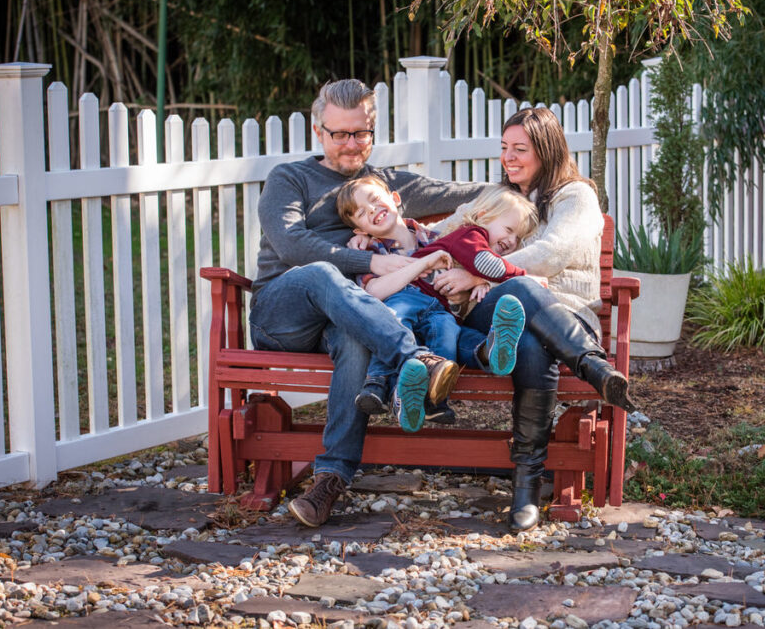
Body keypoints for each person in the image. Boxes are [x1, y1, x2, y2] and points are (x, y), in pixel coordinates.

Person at [248, 78, 485, 527]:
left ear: (372, 133)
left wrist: (529, 184)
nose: (351, 145)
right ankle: (417, 359)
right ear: (319, 132)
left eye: (360, 133)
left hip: (350, 313)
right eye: (339, 134)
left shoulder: (382, 185)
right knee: (320, 274)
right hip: (284, 313)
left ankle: (330, 480)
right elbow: (292, 246)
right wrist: (370, 263)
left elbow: (458, 194)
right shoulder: (289, 179)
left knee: (357, 338)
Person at [433, 106, 634, 532]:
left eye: (520, 149)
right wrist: (389, 236)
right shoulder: (497, 197)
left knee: (526, 337)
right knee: (523, 290)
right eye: (505, 148)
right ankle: (594, 366)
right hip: (496, 309)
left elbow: (552, 253)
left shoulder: (575, 196)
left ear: (546, 150)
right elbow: (436, 234)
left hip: (566, 316)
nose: (509, 157)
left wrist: (476, 271)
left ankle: (526, 486)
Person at [336, 178, 540, 432]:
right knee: (395, 320)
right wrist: (423, 263)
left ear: (395, 198)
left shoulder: (435, 235)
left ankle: (486, 355)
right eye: (361, 213)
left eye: (375, 200)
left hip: (439, 314)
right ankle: (380, 384)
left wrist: (476, 282)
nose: (372, 210)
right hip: (401, 324)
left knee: (449, 333)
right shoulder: (369, 253)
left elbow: (462, 272)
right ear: (358, 229)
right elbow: (374, 292)